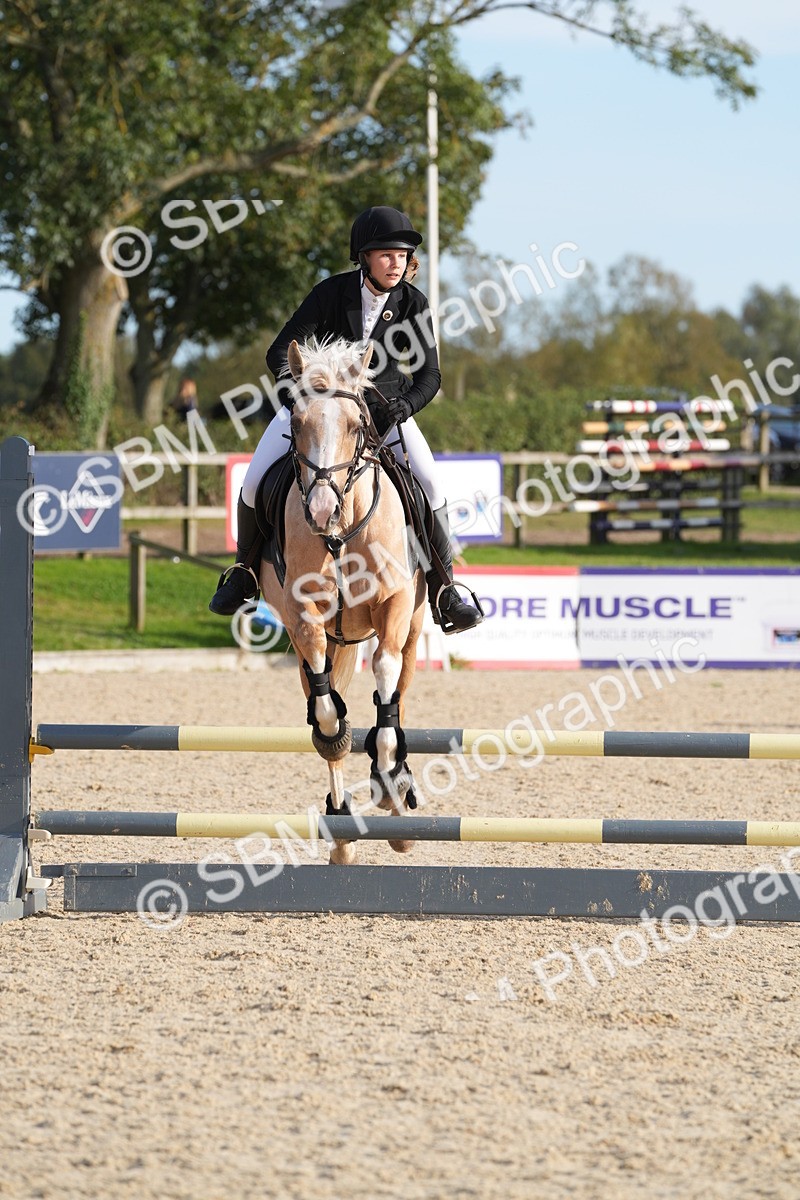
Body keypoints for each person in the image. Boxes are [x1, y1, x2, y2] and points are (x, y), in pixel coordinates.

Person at [209, 205, 482, 634]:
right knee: (254, 480)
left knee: (429, 482)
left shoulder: (414, 302)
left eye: (403, 255)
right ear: (364, 257)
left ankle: (445, 588)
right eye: (387, 255)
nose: (398, 263)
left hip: (384, 414)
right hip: (319, 412)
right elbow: (279, 352)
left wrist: (405, 406)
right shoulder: (330, 293)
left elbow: (431, 374)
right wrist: (304, 397)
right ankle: (244, 572)